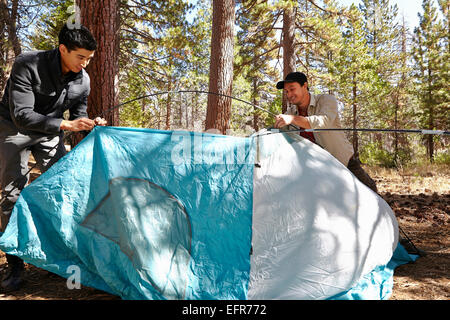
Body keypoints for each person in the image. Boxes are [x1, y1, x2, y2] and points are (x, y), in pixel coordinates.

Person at [0, 24, 107, 292]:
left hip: (51, 134)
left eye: (89, 59)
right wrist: (67, 125)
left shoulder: (83, 80)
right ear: (63, 49)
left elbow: (77, 116)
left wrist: (89, 124)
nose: (85, 64)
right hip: (14, 129)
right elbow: (22, 114)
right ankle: (15, 264)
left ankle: (60, 256)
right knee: (11, 194)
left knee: (63, 188)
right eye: (80, 57)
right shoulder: (28, 64)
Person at [274, 72, 378, 193]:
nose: (289, 94)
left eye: (292, 89)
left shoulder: (326, 100)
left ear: (305, 86)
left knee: (371, 194)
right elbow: (279, 134)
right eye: (286, 91)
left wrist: (292, 119)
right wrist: (274, 128)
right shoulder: (291, 112)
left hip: (344, 163)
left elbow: (324, 121)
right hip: (318, 171)